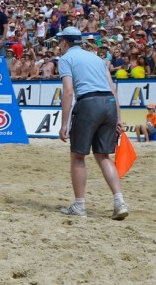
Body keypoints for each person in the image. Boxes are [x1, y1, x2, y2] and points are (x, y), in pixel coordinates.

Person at [54, 26, 129, 220]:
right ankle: (119, 201)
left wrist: (64, 124)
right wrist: (119, 118)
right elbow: (113, 90)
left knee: (78, 156)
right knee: (103, 155)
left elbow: (68, 92)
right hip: (109, 104)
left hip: (88, 103)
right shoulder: (98, 58)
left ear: (65, 42)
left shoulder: (66, 59)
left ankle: (79, 205)